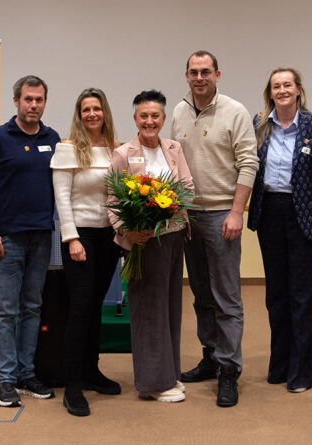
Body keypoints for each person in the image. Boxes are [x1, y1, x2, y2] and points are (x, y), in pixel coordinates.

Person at [171, 50, 258, 408]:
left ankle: (229, 370)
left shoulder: (234, 112)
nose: (199, 77)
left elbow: (248, 162)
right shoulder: (177, 112)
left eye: (206, 71)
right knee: (202, 295)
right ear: (186, 76)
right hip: (188, 216)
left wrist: (237, 212)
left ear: (218, 75)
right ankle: (211, 356)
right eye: (193, 72)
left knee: (226, 297)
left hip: (222, 214)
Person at [0, 75, 59, 407]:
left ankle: (25, 373)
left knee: (32, 308)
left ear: (44, 103)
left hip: (41, 237)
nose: (33, 105)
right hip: (7, 240)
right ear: (16, 101)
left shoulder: (53, 138)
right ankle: (5, 380)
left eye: (39, 100)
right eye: (28, 99)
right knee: (5, 311)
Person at [247, 68, 312, 393]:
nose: (282, 90)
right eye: (276, 86)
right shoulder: (259, 124)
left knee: (302, 296)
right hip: (269, 212)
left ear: (298, 90)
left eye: (288, 85)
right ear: (270, 92)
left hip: (305, 217)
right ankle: (279, 365)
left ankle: (300, 372)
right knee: (276, 296)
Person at [108, 90, 194, 403]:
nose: (149, 121)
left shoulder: (174, 148)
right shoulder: (123, 153)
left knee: (170, 306)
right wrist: (128, 233)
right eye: (143, 116)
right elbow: (113, 199)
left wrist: (171, 206)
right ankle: (152, 382)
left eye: (155, 116)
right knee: (148, 310)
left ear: (163, 119)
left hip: (172, 237)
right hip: (143, 241)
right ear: (135, 119)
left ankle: (168, 372)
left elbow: (186, 186)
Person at [50, 88, 122, 417]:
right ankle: (73, 384)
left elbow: (119, 196)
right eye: (85, 110)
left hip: (108, 236)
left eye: (96, 108)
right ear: (79, 115)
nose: (91, 114)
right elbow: (62, 198)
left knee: (94, 307)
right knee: (80, 308)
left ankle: (92, 371)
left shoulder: (115, 150)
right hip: (80, 237)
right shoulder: (67, 149)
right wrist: (71, 238)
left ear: (104, 112)